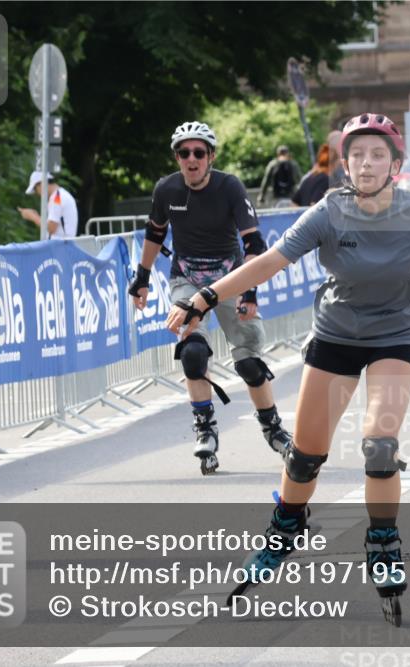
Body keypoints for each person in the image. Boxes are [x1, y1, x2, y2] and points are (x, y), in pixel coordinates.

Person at [167, 113, 410, 625]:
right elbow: (271, 261)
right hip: (335, 339)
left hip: (395, 338)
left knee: (380, 444)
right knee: (305, 459)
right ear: (344, 163)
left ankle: (384, 542)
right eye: (357, 155)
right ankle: (286, 526)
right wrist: (206, 297)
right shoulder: (329, 211)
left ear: (395, 164)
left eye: (377, 155)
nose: (366, 163)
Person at [128, 121, 293, 475]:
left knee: (249, 362)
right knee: (193, 353)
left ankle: (273, 427)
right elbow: (155, 234)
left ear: (211, 157)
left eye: (198, 153)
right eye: (184, 153)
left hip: (231, 279)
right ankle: (205, 427)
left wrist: (250, 291)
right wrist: (141, 277)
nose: (191, 159)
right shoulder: (167, 189)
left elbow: (255, 246)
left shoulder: (229, 187)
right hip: (186, 279)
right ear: (177, 158)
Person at [17, 172, 79, 239]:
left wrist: (33, 216)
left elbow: (51, 228)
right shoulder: (60, 195)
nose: (37, 193)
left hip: (61, 246)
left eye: (35, 188)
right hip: (63, 244)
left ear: (41, 184)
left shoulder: (57, 198)